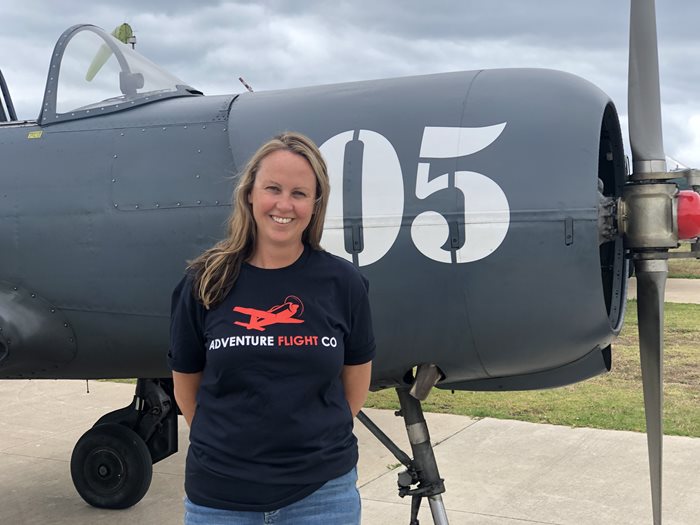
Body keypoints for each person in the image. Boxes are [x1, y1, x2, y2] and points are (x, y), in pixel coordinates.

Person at [168, 131, 375, 525]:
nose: (284, 204)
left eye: (299, 193)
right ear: (250, 194)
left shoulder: (344, 284)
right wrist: (230, 450)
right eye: (273, 189)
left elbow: (355, 385)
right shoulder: (204, 281)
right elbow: (185, 387)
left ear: (315, 205)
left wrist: (313, 446)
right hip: (220, 497)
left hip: (322, 495)